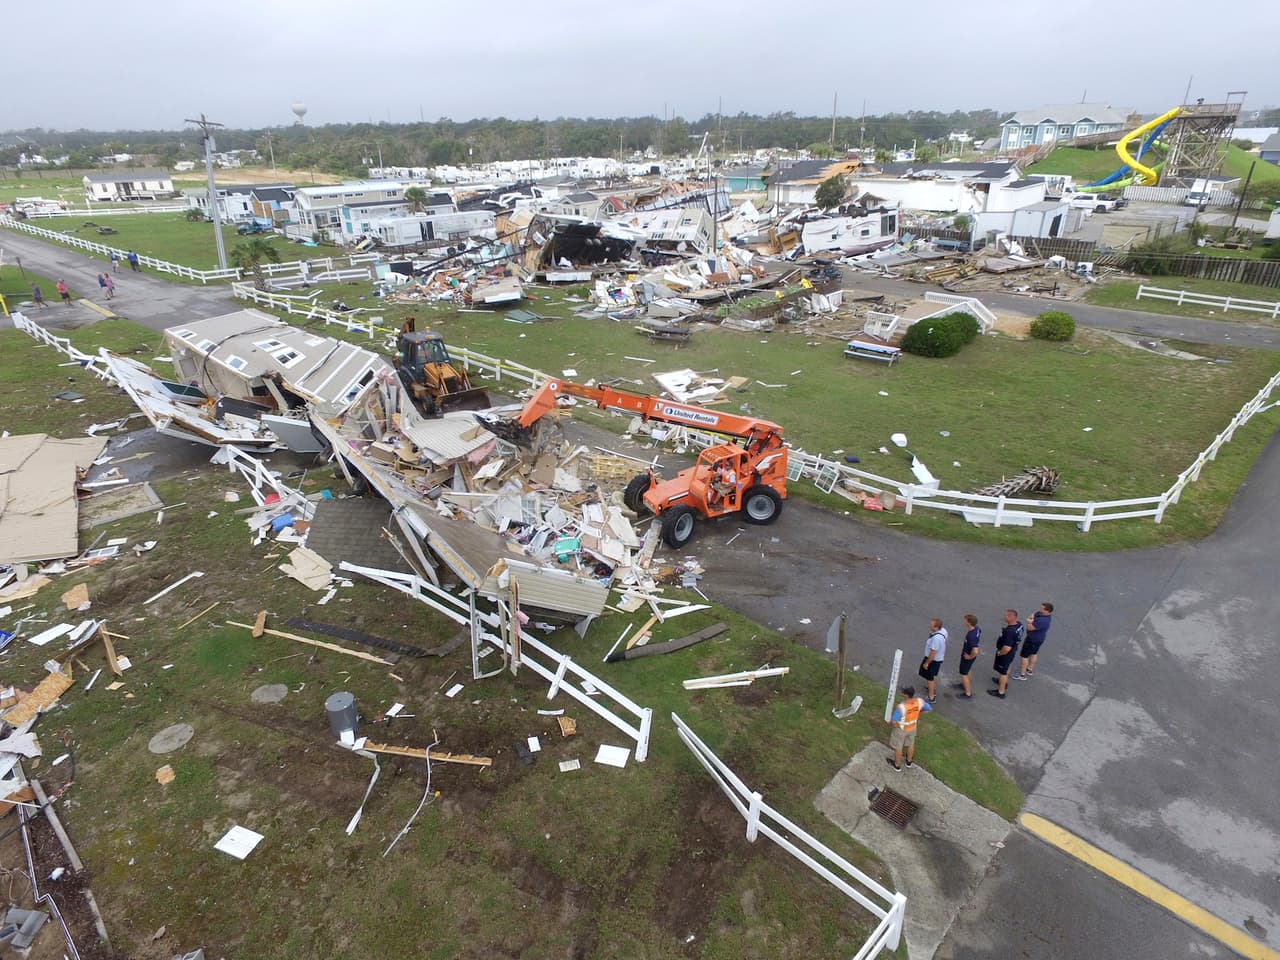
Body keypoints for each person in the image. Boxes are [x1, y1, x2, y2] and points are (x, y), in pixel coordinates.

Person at [887, 685, 931, 771]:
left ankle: (897, 765)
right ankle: (909, 761)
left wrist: (892, 724)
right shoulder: (919, 701)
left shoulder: (901, 707)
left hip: (901, 730)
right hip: (912, 727)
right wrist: (919, 711)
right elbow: (928, 709)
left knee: (898, 747)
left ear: (906, 695)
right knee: (911, 744)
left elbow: (894, 722)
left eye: (903, 692)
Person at [989, 609, 1025, 699]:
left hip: (1006, 654)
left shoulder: (1010, 631)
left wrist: (1000, 653)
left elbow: (1007, 648)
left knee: (1003, 672)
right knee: (1007, 667)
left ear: (1010, 617)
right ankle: (1003, 682)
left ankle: (1001, 692)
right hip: (1013, 650)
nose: (1004, 617)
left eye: (1006, 615)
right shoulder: (1019, 625)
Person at [1015, 602, 1054, 680]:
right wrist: (1032, 619)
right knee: (1034, 653)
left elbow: (1030, 628)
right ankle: (1029, 669)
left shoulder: (1042, 621)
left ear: (1047, 611)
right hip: (1039, 639)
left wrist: (1029, 621)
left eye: (1042, 609)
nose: (1040, 609)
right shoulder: (1042, 614)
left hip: (1032, 639)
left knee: (1024, 656)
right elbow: (1033, 615)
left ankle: (1022, 675)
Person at [919, 618, 947, 703]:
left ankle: (931, 697)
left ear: (936, 627)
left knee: (929, 677)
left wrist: (927, 663)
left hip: (933, 660)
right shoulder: (943, 631)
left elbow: (933, 652)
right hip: (938, 658)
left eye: (931, 625)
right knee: (931, 676)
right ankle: (932, 689)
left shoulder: (936, 639)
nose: (929, 625)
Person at [955, 613, 980, 698]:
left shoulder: (971, 636)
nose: (964, 621)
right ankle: (964, 684)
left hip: (968, 656)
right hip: (969, 656)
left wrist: (969, 656)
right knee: (967, 670)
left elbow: (975, 651)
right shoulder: (977, 629)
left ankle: (968, 693)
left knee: (963, 673)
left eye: (965, 620)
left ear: (969, 622)